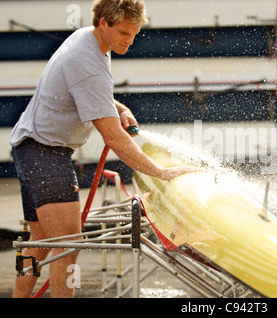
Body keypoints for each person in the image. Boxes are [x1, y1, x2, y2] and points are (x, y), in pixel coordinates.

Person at [10, 0, 199, 298]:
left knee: (39, 240)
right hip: (45, 154)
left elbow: (88, 91)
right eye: (124, 33)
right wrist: (161, 173)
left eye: (135, 33)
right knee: (69, 247)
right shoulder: (87, 63)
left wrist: (118, 106)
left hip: (28, 148)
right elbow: (114, 139)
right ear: (103, 23)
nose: (130, 40)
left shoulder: (87, 38)